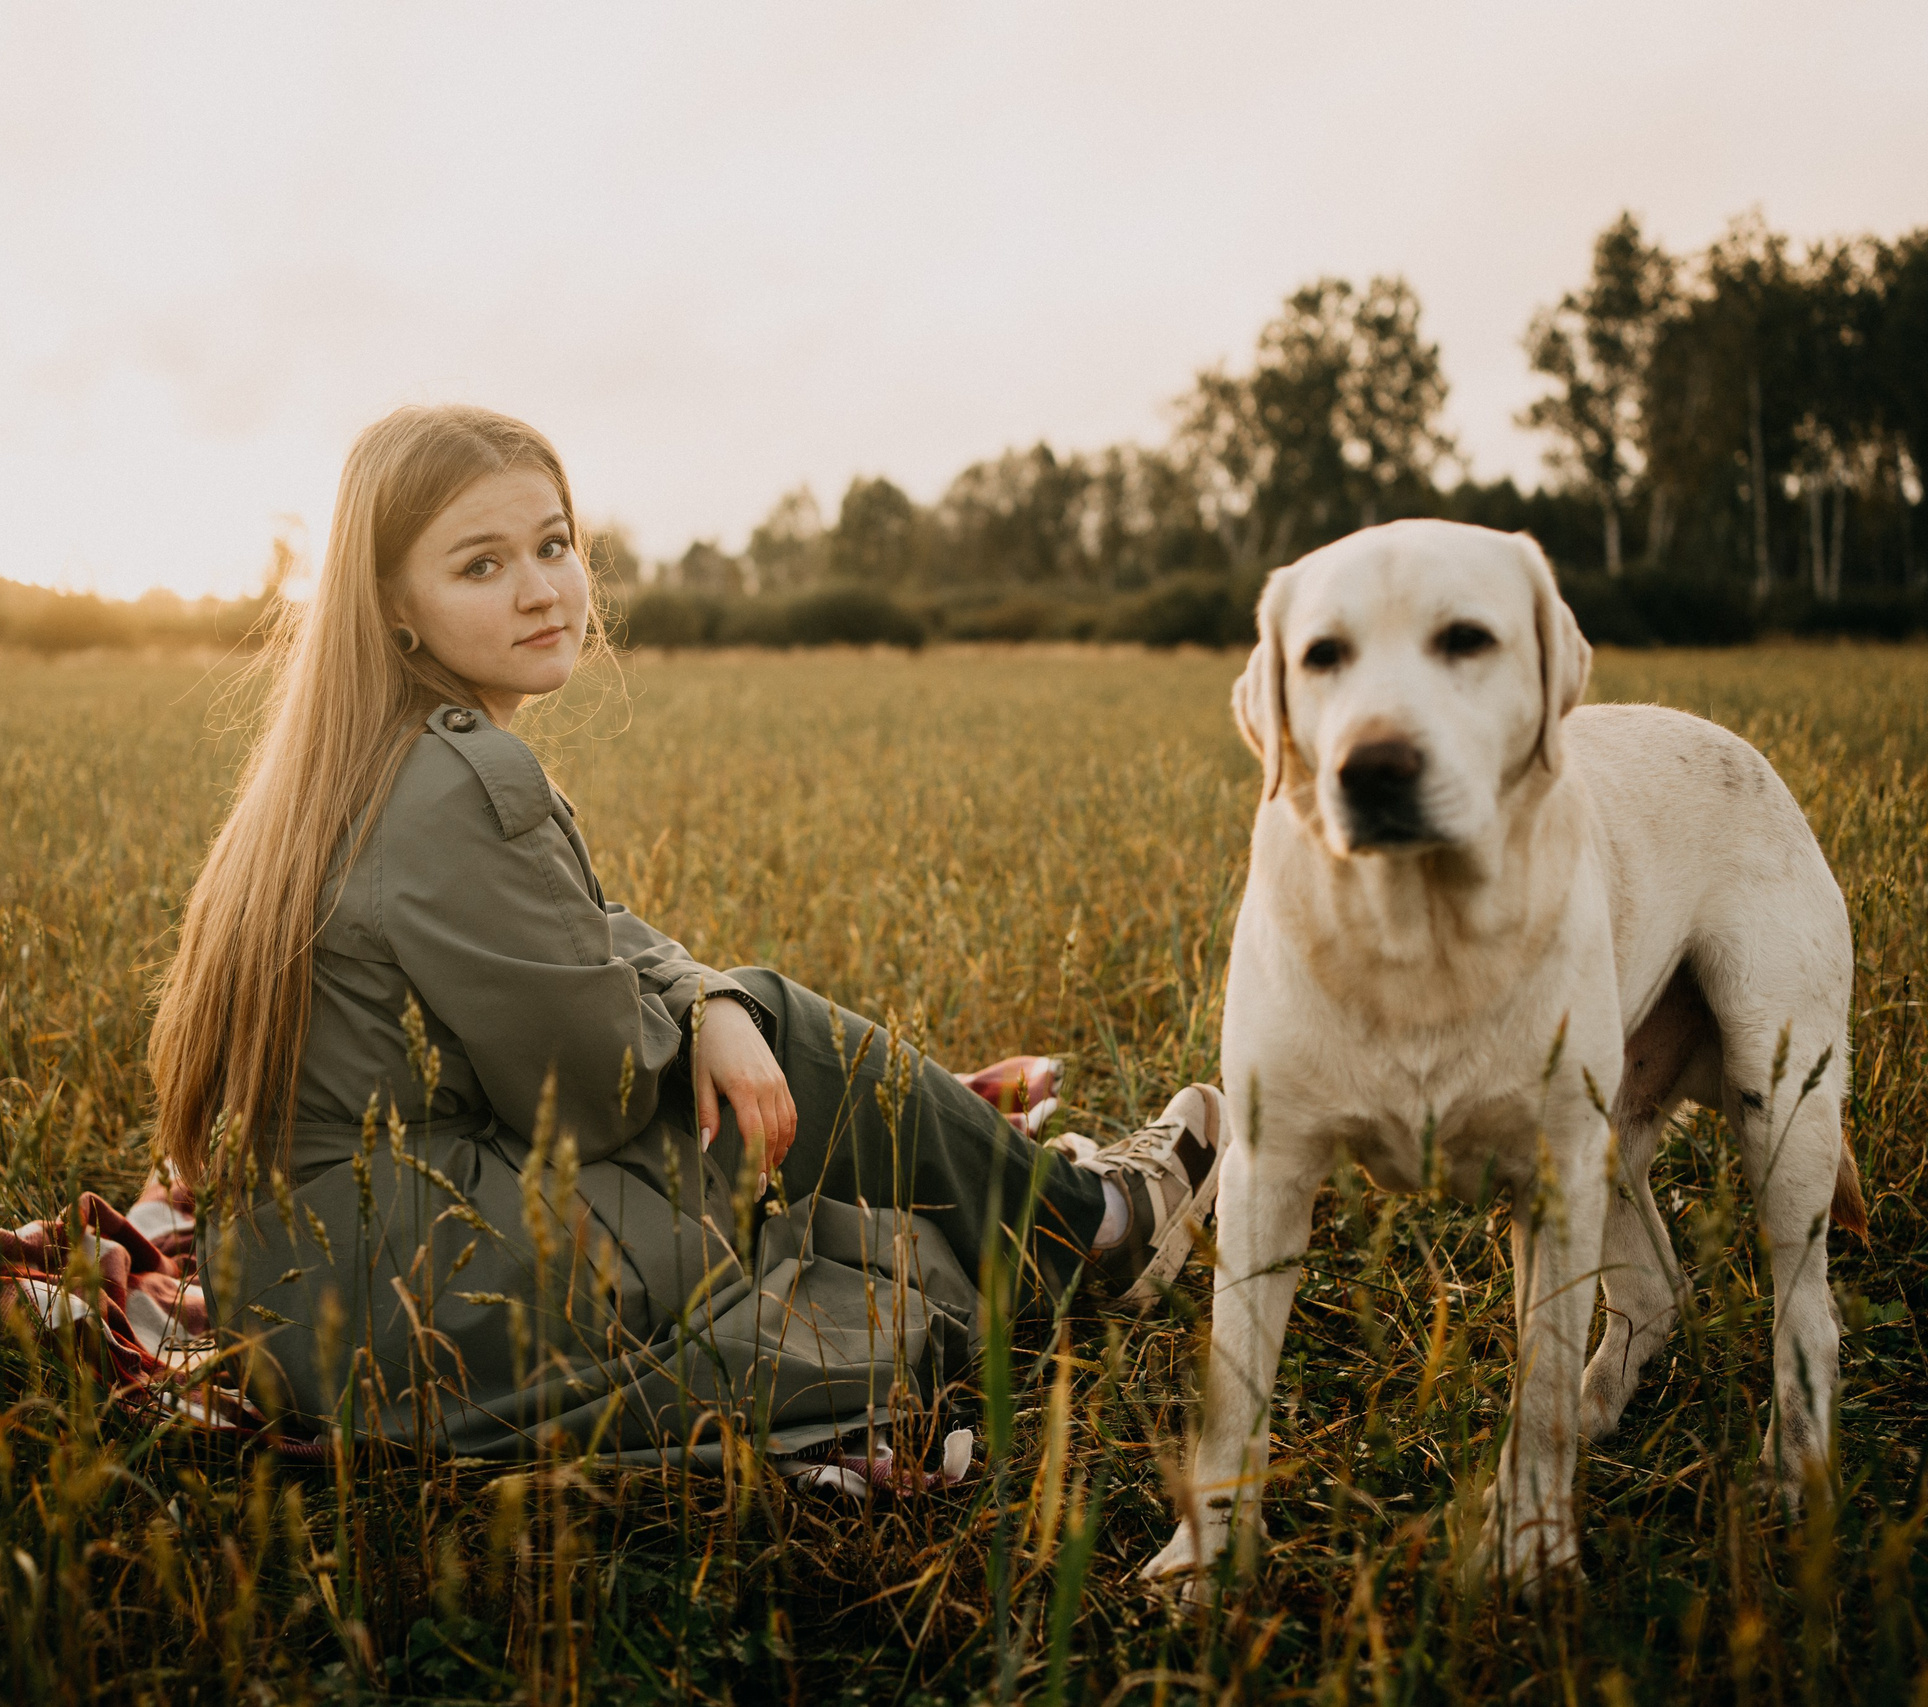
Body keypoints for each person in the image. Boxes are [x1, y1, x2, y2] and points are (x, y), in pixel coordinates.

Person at [148, 403, 1227, 1464]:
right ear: (393, 606)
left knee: (768, 1069)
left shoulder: (347, 757)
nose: (539, 589)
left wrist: (694, 995)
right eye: (480, 566)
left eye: (553, 545)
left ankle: (1038, 1217)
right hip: (440, 1290)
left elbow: (585, 933)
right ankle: (1095, 1227)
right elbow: (595, 1092)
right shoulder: (464, 780)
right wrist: (725, 1011)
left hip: (301, 1292)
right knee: (788, 1042)